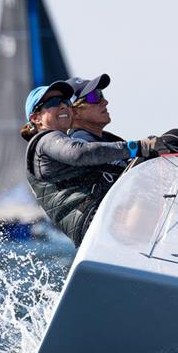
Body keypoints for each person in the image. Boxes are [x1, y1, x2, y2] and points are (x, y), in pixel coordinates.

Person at [20, 81, 152, 247]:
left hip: (102, 220)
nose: (62, 106)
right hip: (95, 222)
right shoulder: (45, 140)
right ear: (36, 118)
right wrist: (139, 147)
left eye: (65, 102)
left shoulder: (63, 142)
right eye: (53, 103)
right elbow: (79, 153)